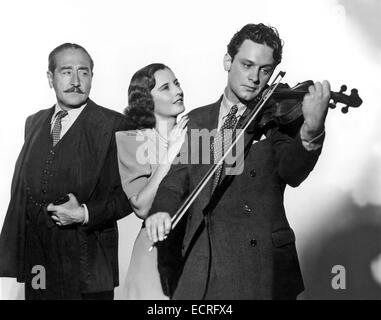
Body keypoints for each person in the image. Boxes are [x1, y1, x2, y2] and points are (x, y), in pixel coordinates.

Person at [146, 23, 331, 300]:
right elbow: (179, 180)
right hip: (202, 261)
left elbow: (292, 171)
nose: (255, 78)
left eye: (265, 70)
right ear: (228, 61)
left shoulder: (275, 122)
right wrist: (161, 210)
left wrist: (311, 130)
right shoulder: (200, 120)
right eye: (247, 65)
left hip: (259, 267)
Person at [0, 43, 132, 300]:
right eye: (66, 72)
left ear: (92, 77)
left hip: (89, 264)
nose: (75, 81)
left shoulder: (118, 125)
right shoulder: (34, 122)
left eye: (83, 72)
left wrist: (84, 214)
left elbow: (133, 197)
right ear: (50, 78)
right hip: (39, 261)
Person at [116, 63, 188, 299]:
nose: (178, 91)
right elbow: (142, 206)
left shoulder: (198, 133)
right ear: (147, 101)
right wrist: (170, 155)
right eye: (166, 87)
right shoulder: (132, 140)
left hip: (195, 249)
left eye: (176, 83)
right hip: (154, 251)